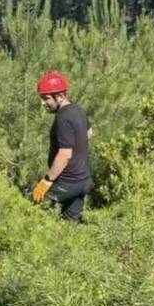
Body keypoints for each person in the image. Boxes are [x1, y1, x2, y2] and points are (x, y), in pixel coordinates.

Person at [31, 70, 93, 222]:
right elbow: (89, 133)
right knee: (69, 225)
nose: (42, 103)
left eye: (46, 98)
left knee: (32, 209)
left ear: (59, 96)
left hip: (67, 183)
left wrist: (47, 180)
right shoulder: (78, 110)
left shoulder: (63, 118)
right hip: (83, 181)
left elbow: (65, 154)